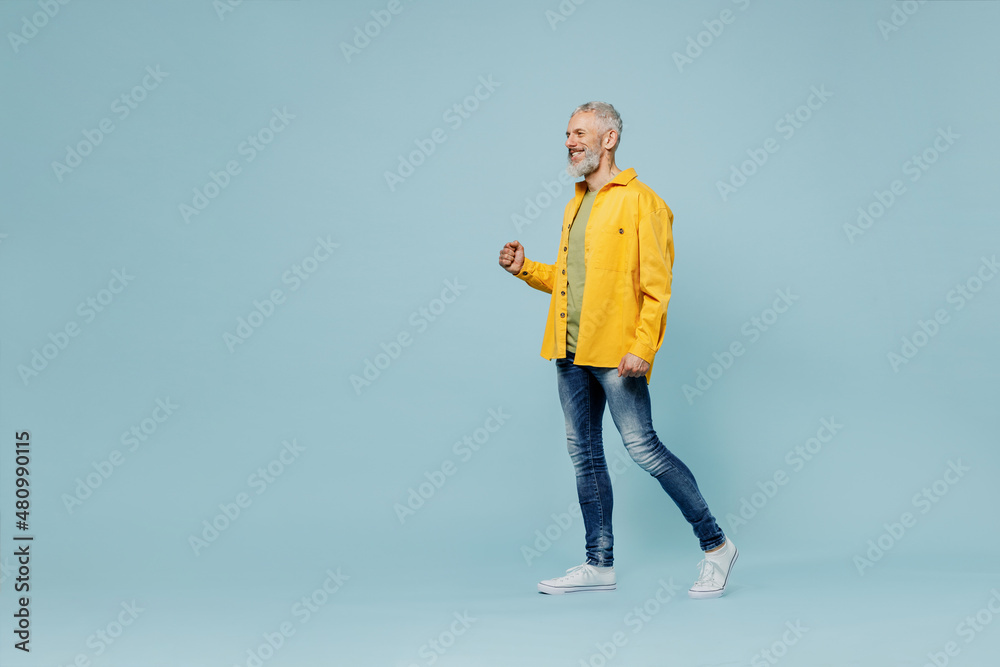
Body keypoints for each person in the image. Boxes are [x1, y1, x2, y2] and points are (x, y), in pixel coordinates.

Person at [498, 102, 737, 599]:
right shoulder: (576, 203)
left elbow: (657, 285)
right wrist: (525, 268)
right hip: (568, 350)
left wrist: (643, 348)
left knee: (643, 448)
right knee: (584, 455)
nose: (570, 141)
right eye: (567, 134)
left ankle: (716, 546)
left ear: (609, 139)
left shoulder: (642, 202)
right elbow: (571, 282)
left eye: (580, 133)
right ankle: (598, 563)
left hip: (617, 355)